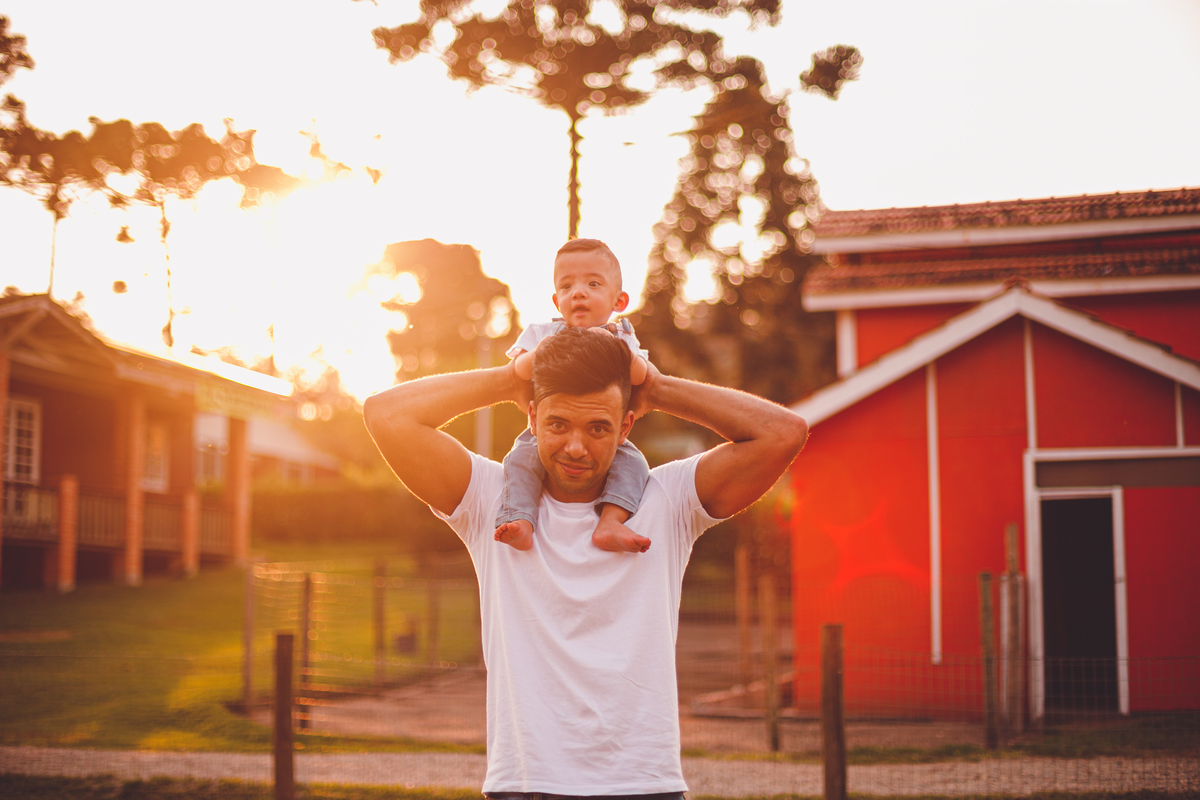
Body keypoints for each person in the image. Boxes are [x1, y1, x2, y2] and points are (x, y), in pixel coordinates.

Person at [363, 323, 808, 797]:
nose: (576, 447)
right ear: (531, 419)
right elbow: (385, 414)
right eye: (558, 424)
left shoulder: (668, 498)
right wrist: (510, 378)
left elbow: (784, 432)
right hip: (526, 783)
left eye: (598, 427)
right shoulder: (490, 497)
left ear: (626, 425)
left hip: (642, 784)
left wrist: (653, 388)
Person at [495, 238, 652, 554]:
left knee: (634, 464)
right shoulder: (543, 333)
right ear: (557, 301)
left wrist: (613, 347)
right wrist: (540, 352)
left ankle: (610, 521)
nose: (578, 292)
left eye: (593, 283)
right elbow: (519, 371)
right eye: (567, 287)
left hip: (604, 432)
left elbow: (640, 376)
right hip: (549, 426)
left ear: (619, 301)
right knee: (520, 459)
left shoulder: (621, 335)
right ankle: (521, 520)